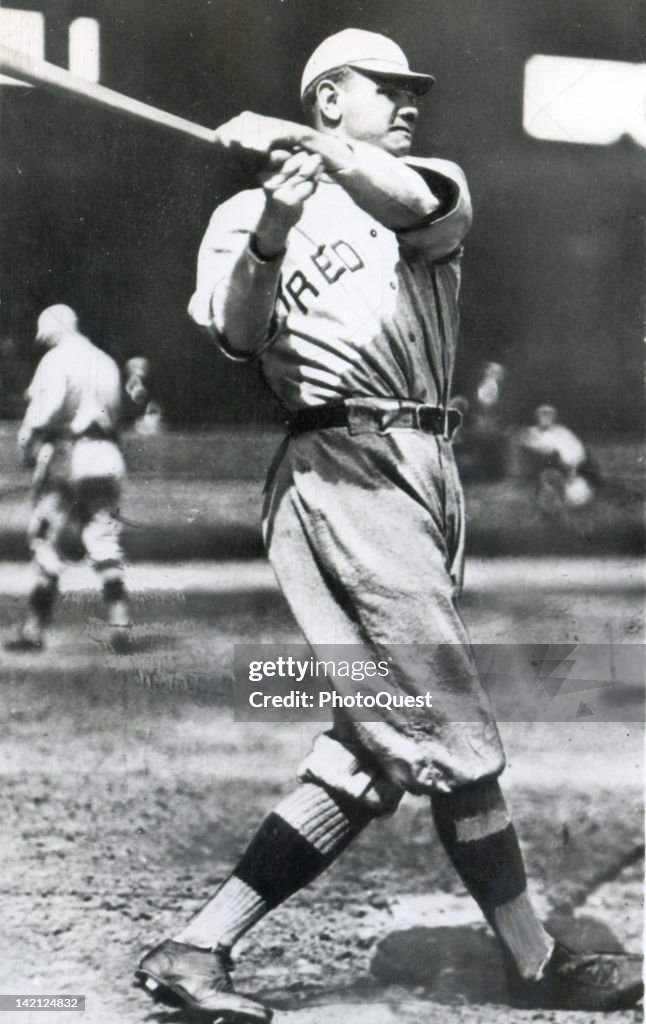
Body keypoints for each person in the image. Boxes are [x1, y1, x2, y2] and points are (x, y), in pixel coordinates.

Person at [134, 29, 642, 1021]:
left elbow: (411, 203)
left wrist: (310, 150)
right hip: (338, 465)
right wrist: (274, 227)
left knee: (370, 743)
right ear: (330, 95)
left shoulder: (423, 184)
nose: (412, 102)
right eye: (388, 87)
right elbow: (239, 332)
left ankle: (196, 947)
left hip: (424, 467)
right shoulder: (241, 214)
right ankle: (533, 960)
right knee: (448, 716)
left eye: (415, 89)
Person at [6, 304, 130, 650]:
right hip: (107, 455)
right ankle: (120, 624)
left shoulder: (56, 360)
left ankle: (34, 629)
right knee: (104, 538)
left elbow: (46, 410)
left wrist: (28, 443)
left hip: (69, 453)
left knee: (46, 539)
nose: (41, 339)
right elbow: (117, 412)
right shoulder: (106, 361)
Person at [518, 403, 599, 509]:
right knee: (551, 461)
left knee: (582, 461)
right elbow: (531, 446)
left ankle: (586, 486)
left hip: (565, 463)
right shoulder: (532, 432)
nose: (546, 419)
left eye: (549, 416)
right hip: (544, 463)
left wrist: (572, 468)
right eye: (543, 416)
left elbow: (574, 447)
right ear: (537, 418)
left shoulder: (560, 431)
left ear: (553, 418)